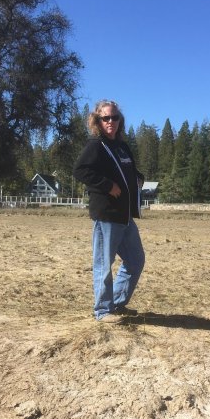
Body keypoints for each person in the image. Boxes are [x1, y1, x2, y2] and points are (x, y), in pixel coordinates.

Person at [73, 100, 145, 323]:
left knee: (135, 260)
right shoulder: (96, 145)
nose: (111, 122)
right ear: (98, 121)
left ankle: (116, 303)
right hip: (107, 215)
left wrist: (138, 178)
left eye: (114, 117)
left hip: (125, 216)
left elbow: (129, 170)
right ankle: (103, 311)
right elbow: (81, 170)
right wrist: (107, 185)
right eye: (106, 118)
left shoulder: (121, 146)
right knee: (104, 265)